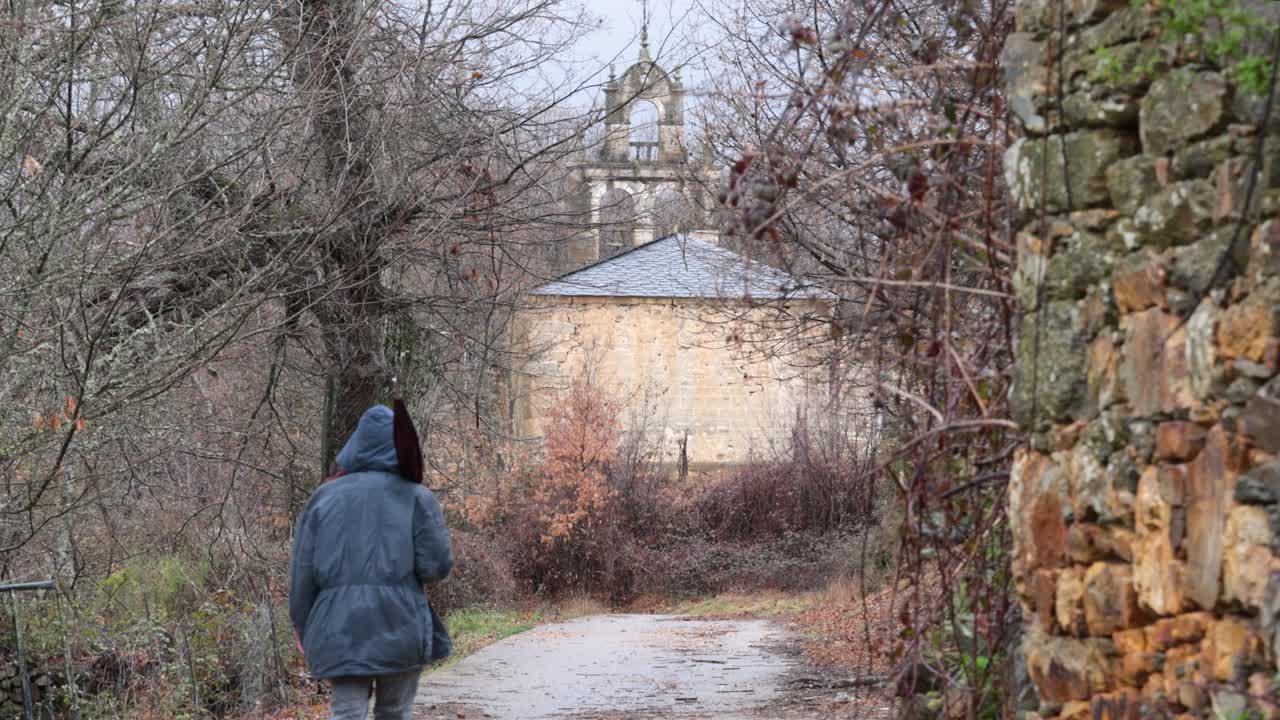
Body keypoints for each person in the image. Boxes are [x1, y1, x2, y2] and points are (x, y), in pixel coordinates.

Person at [290, 404, 454, 720]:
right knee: (394, 713)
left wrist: (301, 623)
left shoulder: (323, 498)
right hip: (402, 626)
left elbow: (302, 574)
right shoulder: (418, 498)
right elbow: (436, 567)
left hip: (339, 628)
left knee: (348, 714)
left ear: (355, 444)